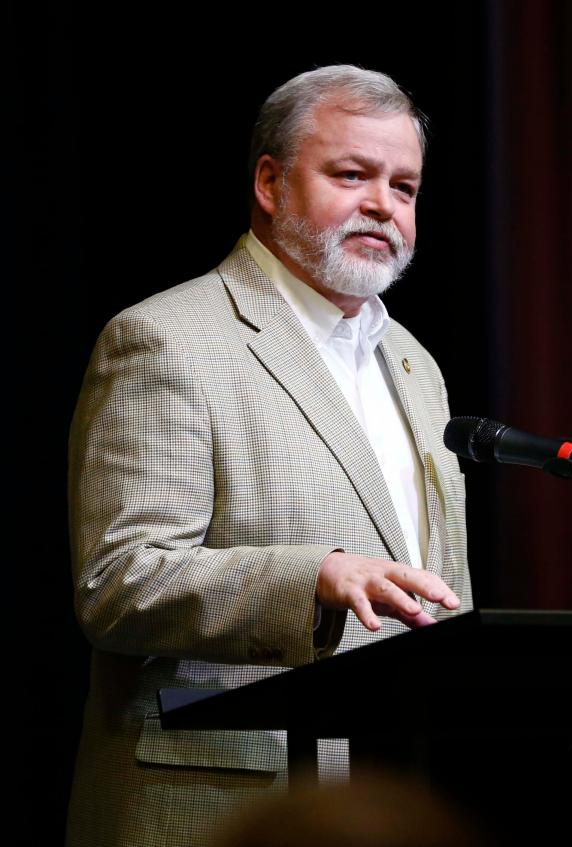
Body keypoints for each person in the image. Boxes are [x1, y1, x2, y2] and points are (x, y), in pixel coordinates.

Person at [66, 65, 471, 847]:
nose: (383, 205)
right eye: (352, 174)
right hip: (223, 803)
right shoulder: (168, 340)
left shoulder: (416, 366)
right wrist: (314, 575)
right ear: (271, 182)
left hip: (386, 806)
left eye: (406, 187)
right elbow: (118, 583)